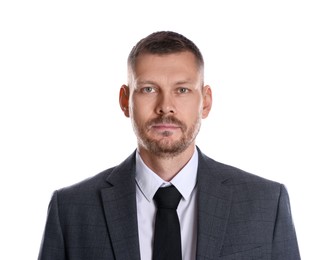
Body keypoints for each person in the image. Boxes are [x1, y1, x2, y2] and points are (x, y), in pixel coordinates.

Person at [38, 31, 300, 260]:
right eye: (149, 89)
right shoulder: (71, 210)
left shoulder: (266, 203)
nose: (165, 106)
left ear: (205, 102)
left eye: (182, 90)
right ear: (125, 100)